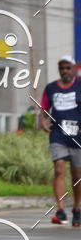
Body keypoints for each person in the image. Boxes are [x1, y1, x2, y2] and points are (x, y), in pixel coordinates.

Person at [40, 55, 81, 227]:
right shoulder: (51, 88)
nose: (64, 71)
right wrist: (43, 120)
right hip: (58, 135)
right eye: (61, 68)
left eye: (67, 67)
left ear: (73, 69)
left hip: (78, 136)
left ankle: (77, 209)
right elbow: (44, 107)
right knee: (59, 169)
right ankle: (60, 210)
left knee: (77, 175)